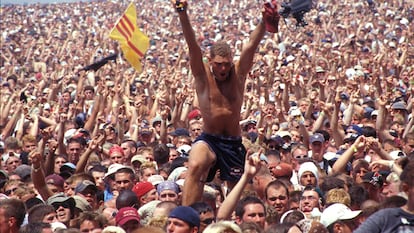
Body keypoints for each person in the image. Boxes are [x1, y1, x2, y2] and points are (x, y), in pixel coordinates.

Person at [173, 0, 280, 206]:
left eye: (226, 64)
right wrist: (182, 14)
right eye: (218, 65)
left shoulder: (238, 74)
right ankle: (187, 215)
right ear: (210, 62)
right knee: (195, 165)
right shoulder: (202, 76)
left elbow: (250, 46)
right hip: (209, 139)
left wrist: (263, 21)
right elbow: (192, 45)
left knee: (237, 190)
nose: (223, 69)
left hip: (232, 141)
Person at [354, 160, 414, 233]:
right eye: (366, 187)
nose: (368, 191)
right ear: (406, 189)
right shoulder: (386, 218)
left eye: (373, 188)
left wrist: (391, 164)